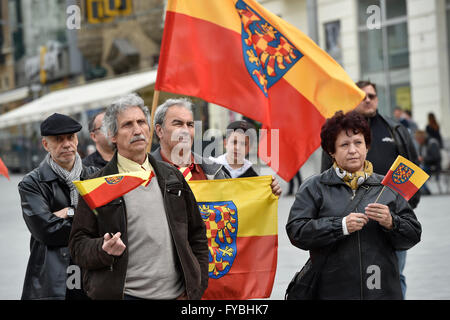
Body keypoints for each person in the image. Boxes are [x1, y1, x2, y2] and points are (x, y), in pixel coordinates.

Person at [69, 93, 208, 300]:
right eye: (127, 125)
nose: (137, 130)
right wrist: (103, 248)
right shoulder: (97, 185)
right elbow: (78, 246)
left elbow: (197, 234)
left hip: (179, 295)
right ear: (113, 136)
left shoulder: (172, 176)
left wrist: (196, 284)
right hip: (126, 296)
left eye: (141, 122)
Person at [287, 110, 421, 300]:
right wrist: (340, 226)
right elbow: (296, 232)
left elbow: (413, 235)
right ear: (331, 151)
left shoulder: (388, 186)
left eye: (358, 143)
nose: (353, 150)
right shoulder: (314, 187)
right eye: (344, 144)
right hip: (331, 291)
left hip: (381, 290)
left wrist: (392, 222)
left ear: (366, 146)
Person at [320, 80, 420, 298]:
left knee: (394, 273)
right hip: (352, 218)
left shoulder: (395, 129)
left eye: (372, 96)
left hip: (390, 214)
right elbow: (325, 176)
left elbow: (412, 167)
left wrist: (403, 209)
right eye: (362, 96)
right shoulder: (339, 131)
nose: (367, 100)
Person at [18, 113, 97, 300]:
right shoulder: (32, 183)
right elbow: (46, 230)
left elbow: (107, 220)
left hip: (91, 270)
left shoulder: (94, 175)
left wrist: (69, 212)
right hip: (53, 275)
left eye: (70, 137)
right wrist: (88, 221)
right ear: (46, 145)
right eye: (58, 140)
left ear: (77, 140)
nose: (67, 144)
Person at [151, 98, 282, 196]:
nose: (186, 130)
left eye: (190, 124)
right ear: (159, 130)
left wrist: (266, 193)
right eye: (178, 124)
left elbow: (238, 208)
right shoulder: (146, 175)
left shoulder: (215, 171)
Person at [415, 130, 442, 195]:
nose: (417, 141)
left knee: (419, 173)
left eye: (418, 140)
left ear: (422, 138)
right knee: (415, 170)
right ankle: (424, 189)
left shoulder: (432, 143)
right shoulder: (422, 145)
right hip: (426, 164)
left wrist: (423, 159)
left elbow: (436, 157)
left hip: (433, 165)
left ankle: (425, 190)